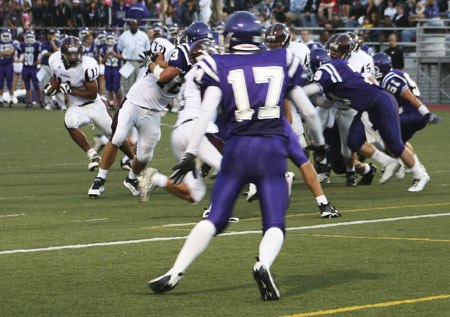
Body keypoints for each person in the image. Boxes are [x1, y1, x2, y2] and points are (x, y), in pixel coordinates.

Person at [148, 11, 334, 300]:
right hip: (272, 147)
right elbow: (308, 112)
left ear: (231, 37)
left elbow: (207, 111)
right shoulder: (282, 59)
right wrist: (320, 145)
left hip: (236, 148)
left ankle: (176, 271)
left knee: (216, 218)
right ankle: (263, 264)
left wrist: (190, 153)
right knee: (274, 221)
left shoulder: (216, 63)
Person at [303, 33, 430, 192]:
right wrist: (309, 97)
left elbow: (314, 89)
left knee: (394, 143)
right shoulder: (340, 65)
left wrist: (294, 92)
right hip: (366, 107)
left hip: (379, 103)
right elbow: (327, 103)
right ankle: (389, 162)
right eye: (331, 50)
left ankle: (420, 174)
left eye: (335, 51)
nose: (331, 53)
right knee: (354, 142)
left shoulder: (334, 67)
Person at [88, 37, 177, 198]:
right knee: (117, 137)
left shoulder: (192, 66)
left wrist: (153, 63)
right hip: (134, 102)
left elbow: (163, 67)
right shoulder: (168, 48)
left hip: (154, 112)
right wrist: (154, 63)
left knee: (145, 156)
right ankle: (99, 179)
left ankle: (131, 179)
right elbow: (156, 60)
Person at [45, 36, 133, 172]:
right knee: (69, 122)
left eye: (76, 53)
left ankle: (133, 160)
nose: (74, 57)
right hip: (76, 107)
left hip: (94, 104)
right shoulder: (54, 60)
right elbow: (57, 77)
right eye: (70, 54)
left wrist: (70, 90)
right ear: (62, 54)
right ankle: (92, 155)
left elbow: (92, 93)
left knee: (116, 135)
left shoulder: (88, 65)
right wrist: (53, 87)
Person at [373, 52, 441, 176]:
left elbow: (409, 97)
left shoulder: (389, 79)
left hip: (414, 114)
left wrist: (426, 113)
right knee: (397, 142)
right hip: (413, 113)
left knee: (386, 136)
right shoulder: (395, 74)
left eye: (375, 68)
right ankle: (411, 165)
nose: (373, 70)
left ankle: (410, 166)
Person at [117, 19, 150, 93]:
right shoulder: (124, 35)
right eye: (132, 24)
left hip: (141, 63)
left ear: (138, 25)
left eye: (135, 24)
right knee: (128, 85)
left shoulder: (143, 35)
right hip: (128, 62)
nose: (133, 26)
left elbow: (148, 49)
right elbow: (119, 48)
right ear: (129, 26)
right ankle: (127, 102)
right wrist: (124, 57)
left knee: (140, 84)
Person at [18, 30, 44, 109]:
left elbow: (41, 54)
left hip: (33, 68)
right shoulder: (22, 45)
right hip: (25, 67)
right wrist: (20, 58)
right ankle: (29, 101)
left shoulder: (37, 44)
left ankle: (40, 101)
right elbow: (19, 55)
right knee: (27, 86)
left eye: (31, 37)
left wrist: (39, 60)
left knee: (36, 85)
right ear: (25, 37)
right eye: (28, 37)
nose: (29, 38)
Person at [39, 29, 61, 110]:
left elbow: (57, 52)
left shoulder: (58, 43)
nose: (51, 36)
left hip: (56, 67)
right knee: (47, 85)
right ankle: (49, 103)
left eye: (52, 34)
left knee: (58, 85)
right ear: (47, 35)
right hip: (46, 66)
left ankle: (61, 103)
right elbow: (44, 53)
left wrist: (53, 43)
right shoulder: (44, 43)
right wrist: (55, 54)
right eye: (49, 34)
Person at [0, 29, 16, 108]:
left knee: (10, 84)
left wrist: (3, 53)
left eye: (7, 35)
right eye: (4, 35)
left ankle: (11, 100)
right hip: (1, 65)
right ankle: (0, 100)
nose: (6, 37)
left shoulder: (13, 42)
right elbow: (9, 52)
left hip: (9, 65)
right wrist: (7, 52)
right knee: (0, 84)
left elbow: (10, 52)